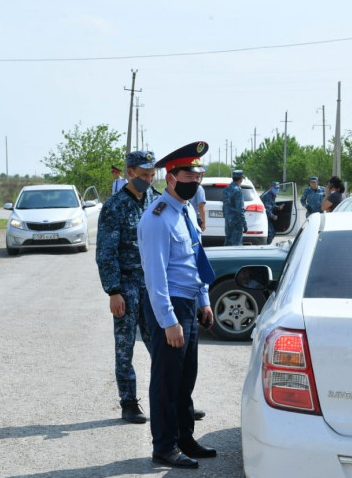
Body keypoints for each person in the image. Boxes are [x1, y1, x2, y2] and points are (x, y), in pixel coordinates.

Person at [138, 141, 217, 469]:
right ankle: (164, 446)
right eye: (189, 176)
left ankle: (184, 438)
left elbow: (195, 259)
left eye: (199, 176)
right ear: (170, 178)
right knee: (167, 380)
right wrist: (169, 320)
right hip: (169, 306)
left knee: (185, 378)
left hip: (189, 302)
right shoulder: (157, 217)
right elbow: (155, 276)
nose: (195, 182)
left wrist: (204, 299)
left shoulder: (185, 210)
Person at [96, 151, 158, 424]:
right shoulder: (115, 206)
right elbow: (106, 253)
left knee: (162, 346)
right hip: (127, 284)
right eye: (144, 174)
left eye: (152, 174)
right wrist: (113, 291)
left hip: (154, 284)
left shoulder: (157, 201)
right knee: (125, 347)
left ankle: (174, 399)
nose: (149, 179)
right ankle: (129, 402)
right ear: (130, 172)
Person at [222, 169, 247, 246]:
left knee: (228, 242)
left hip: (228, 220)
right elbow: (240, 209)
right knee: (236, 245)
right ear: (240, 179)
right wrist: (244, 223)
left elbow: (224, 206)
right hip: (236, 221)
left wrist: (226, 217)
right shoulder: (238, 190)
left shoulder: (226, 189)